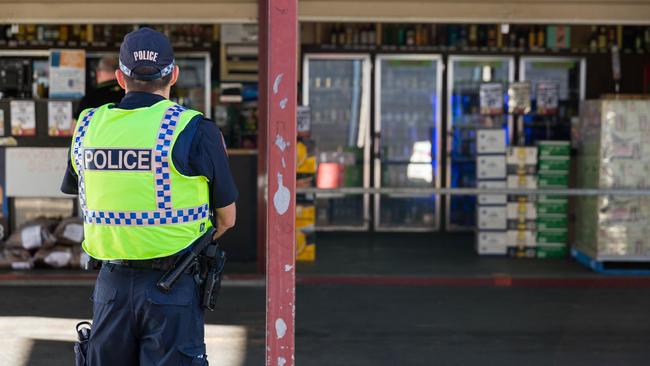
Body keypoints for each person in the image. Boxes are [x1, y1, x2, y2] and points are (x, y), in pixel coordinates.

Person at [61, 27, 238, 366]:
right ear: (174, 74)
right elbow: (227, 218)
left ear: (119, 77)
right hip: (172, 287)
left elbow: (81, 191)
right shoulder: (196, 129)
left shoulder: (87, 126)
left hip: (110, 287)